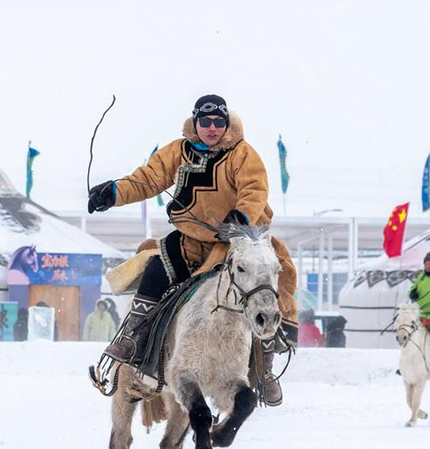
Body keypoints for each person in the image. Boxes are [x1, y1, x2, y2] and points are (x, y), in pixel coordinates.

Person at [87, 94, 298, 406]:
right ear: (196, 122)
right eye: (206, 122)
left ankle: (265, 367)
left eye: (218, 122)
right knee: (156, 268)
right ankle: (133, 341)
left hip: (239, 239)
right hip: (192, 240)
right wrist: (114, 193)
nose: (212, 128)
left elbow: (254, 188)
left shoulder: (242, 153)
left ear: (226, 123)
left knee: (265, 280)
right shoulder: (178, 150)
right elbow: (148, 180)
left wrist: (239, 218)